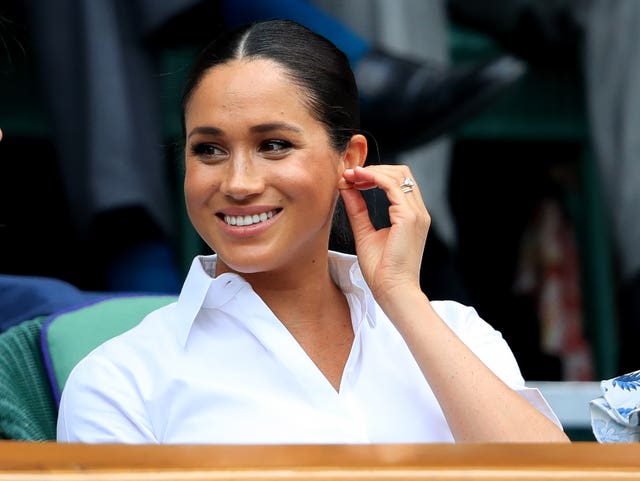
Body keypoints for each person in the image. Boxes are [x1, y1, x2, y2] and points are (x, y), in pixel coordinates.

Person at [56, 19, 568, 443]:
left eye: (274, 144)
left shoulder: (454, 331)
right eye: (208, 149)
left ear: (351, 159)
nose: (238, 183)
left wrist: (400, 297)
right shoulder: (122, 379)